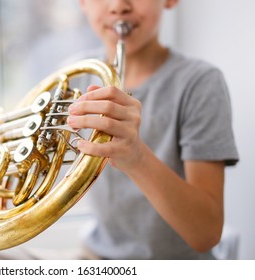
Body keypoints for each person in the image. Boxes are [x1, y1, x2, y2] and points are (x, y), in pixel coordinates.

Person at [62, 0, 239, 259]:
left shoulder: (200, 83)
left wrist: (136, 157)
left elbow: (206, 234)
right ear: (83, 3)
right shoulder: (72, 76)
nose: (118, 6)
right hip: (96, 255)